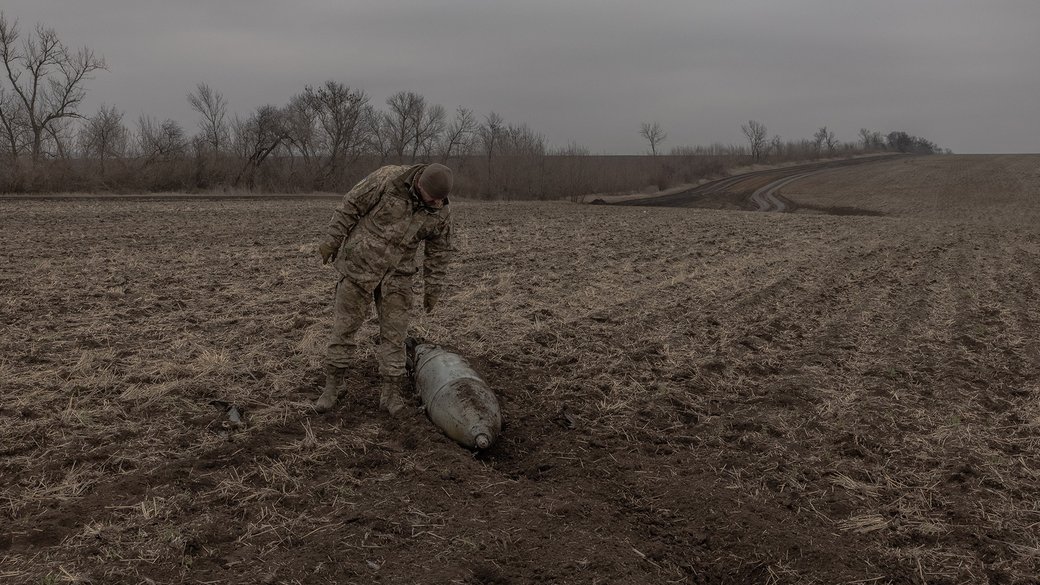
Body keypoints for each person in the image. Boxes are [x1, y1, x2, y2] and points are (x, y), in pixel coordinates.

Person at [314, 163, 454, 415]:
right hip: (360, 265)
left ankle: (390, 395)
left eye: (437, 200)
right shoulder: (389, 179)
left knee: (395, 337)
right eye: (429, 197)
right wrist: (331, 240)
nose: (432, 202)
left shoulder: (440, 211)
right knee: (344, 329)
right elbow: (351, 205)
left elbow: (440, 252)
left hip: (398, 277)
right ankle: (333, 387)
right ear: (419, 182)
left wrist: (433, 288)